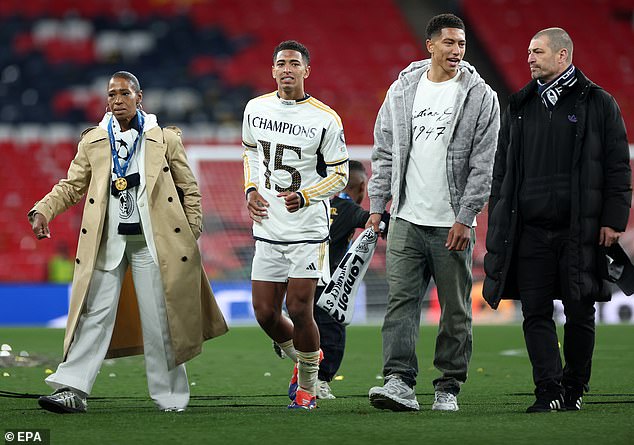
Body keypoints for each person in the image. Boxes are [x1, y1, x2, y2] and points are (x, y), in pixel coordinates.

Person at [28, 71, 228, 414]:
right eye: (111, 94)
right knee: (92, 315)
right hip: (108, 242)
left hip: (153, 245)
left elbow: (189, 189)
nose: (117, 100)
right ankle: (71, 390)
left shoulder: (164, 139)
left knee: (161, 321)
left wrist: (189, 231)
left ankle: (171, 400)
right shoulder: (93, 141)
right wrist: (44, 209)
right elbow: (72, 185)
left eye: (124, 93)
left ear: (139, 97)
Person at [482, 28, 631, 413]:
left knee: (581, 311)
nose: (529, 58)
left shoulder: (598, 102)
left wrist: (614, 220)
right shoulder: (519, 105)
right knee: (535, 312)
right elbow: (503, 171)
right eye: (528, 51)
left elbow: (617, 166)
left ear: (563, 55)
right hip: (529, 230)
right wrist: (499, 212)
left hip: (579, 230)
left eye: (537, 51)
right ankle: (548, 390)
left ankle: (574, 387)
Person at [366, 13, 500, 412]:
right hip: (406, 217)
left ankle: (448, 387)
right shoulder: (403, 89)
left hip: (452, 224)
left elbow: (484, 165)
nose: (457, 50)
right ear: (430, 45)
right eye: (449, 43)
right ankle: (398, 382)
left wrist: (465, 216)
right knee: (400, 304)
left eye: (461, 44)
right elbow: (384, 150)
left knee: (455, 310)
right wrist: (377, 207)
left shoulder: (481, 95)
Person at [242, 40, 349, 410]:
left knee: (300, 308)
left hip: (306, 228)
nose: (287, 69)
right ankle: (310, 357)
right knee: (265, 313)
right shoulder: (256, 108)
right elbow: (251, 152)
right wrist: (251, 189)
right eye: (281, 63)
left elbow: (340, 175)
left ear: (307, 71)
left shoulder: (325, 118)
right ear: (273, 70)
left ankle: (308, 389)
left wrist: (306, 195)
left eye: (294, 63)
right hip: (268, 226)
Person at [312, 160, 389, 399]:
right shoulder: (348, 209)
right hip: (330, 284)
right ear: (363, 186)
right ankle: (321, 381)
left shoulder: (325, 205)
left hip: (306, 277)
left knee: (309, 326)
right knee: (333, 332)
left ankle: (290, 335)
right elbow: (375, 221)